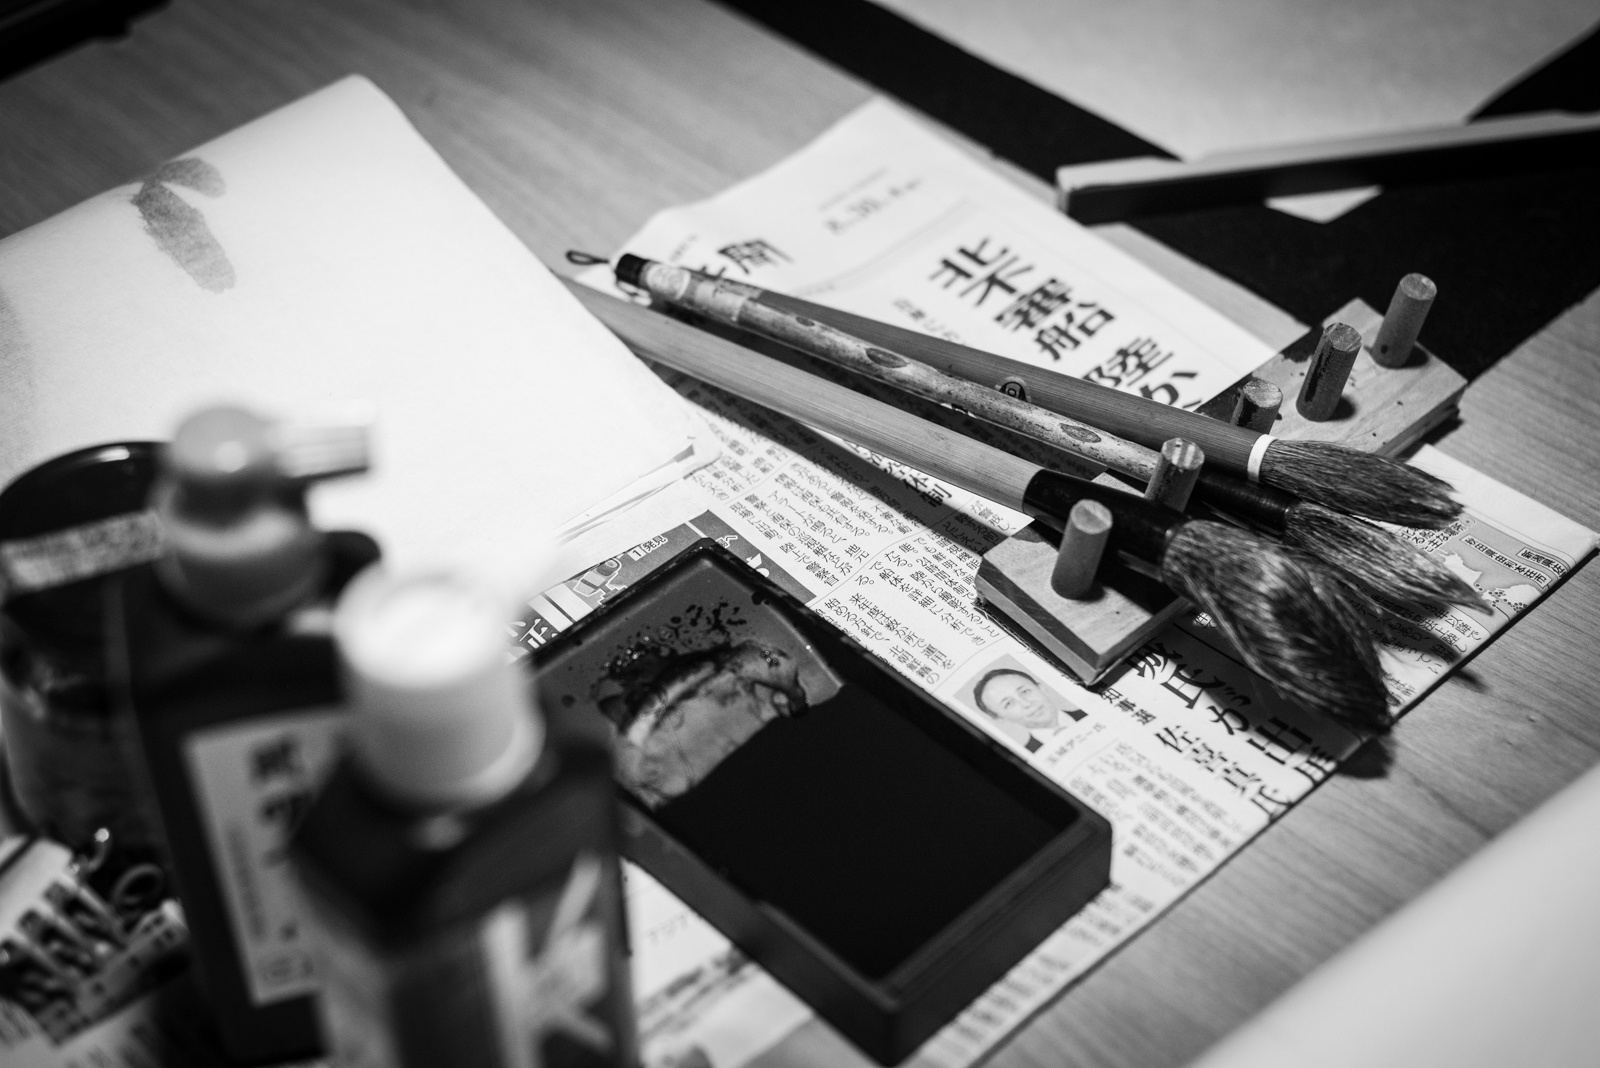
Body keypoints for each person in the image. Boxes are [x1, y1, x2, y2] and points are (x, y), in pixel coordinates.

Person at [972, 667, 1083, 752]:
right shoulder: (1029, 759)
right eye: (1009, 703)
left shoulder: (1090, 713)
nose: (1026, 704)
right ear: (1000, 719)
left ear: (1042, 689)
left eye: (1025, 692)